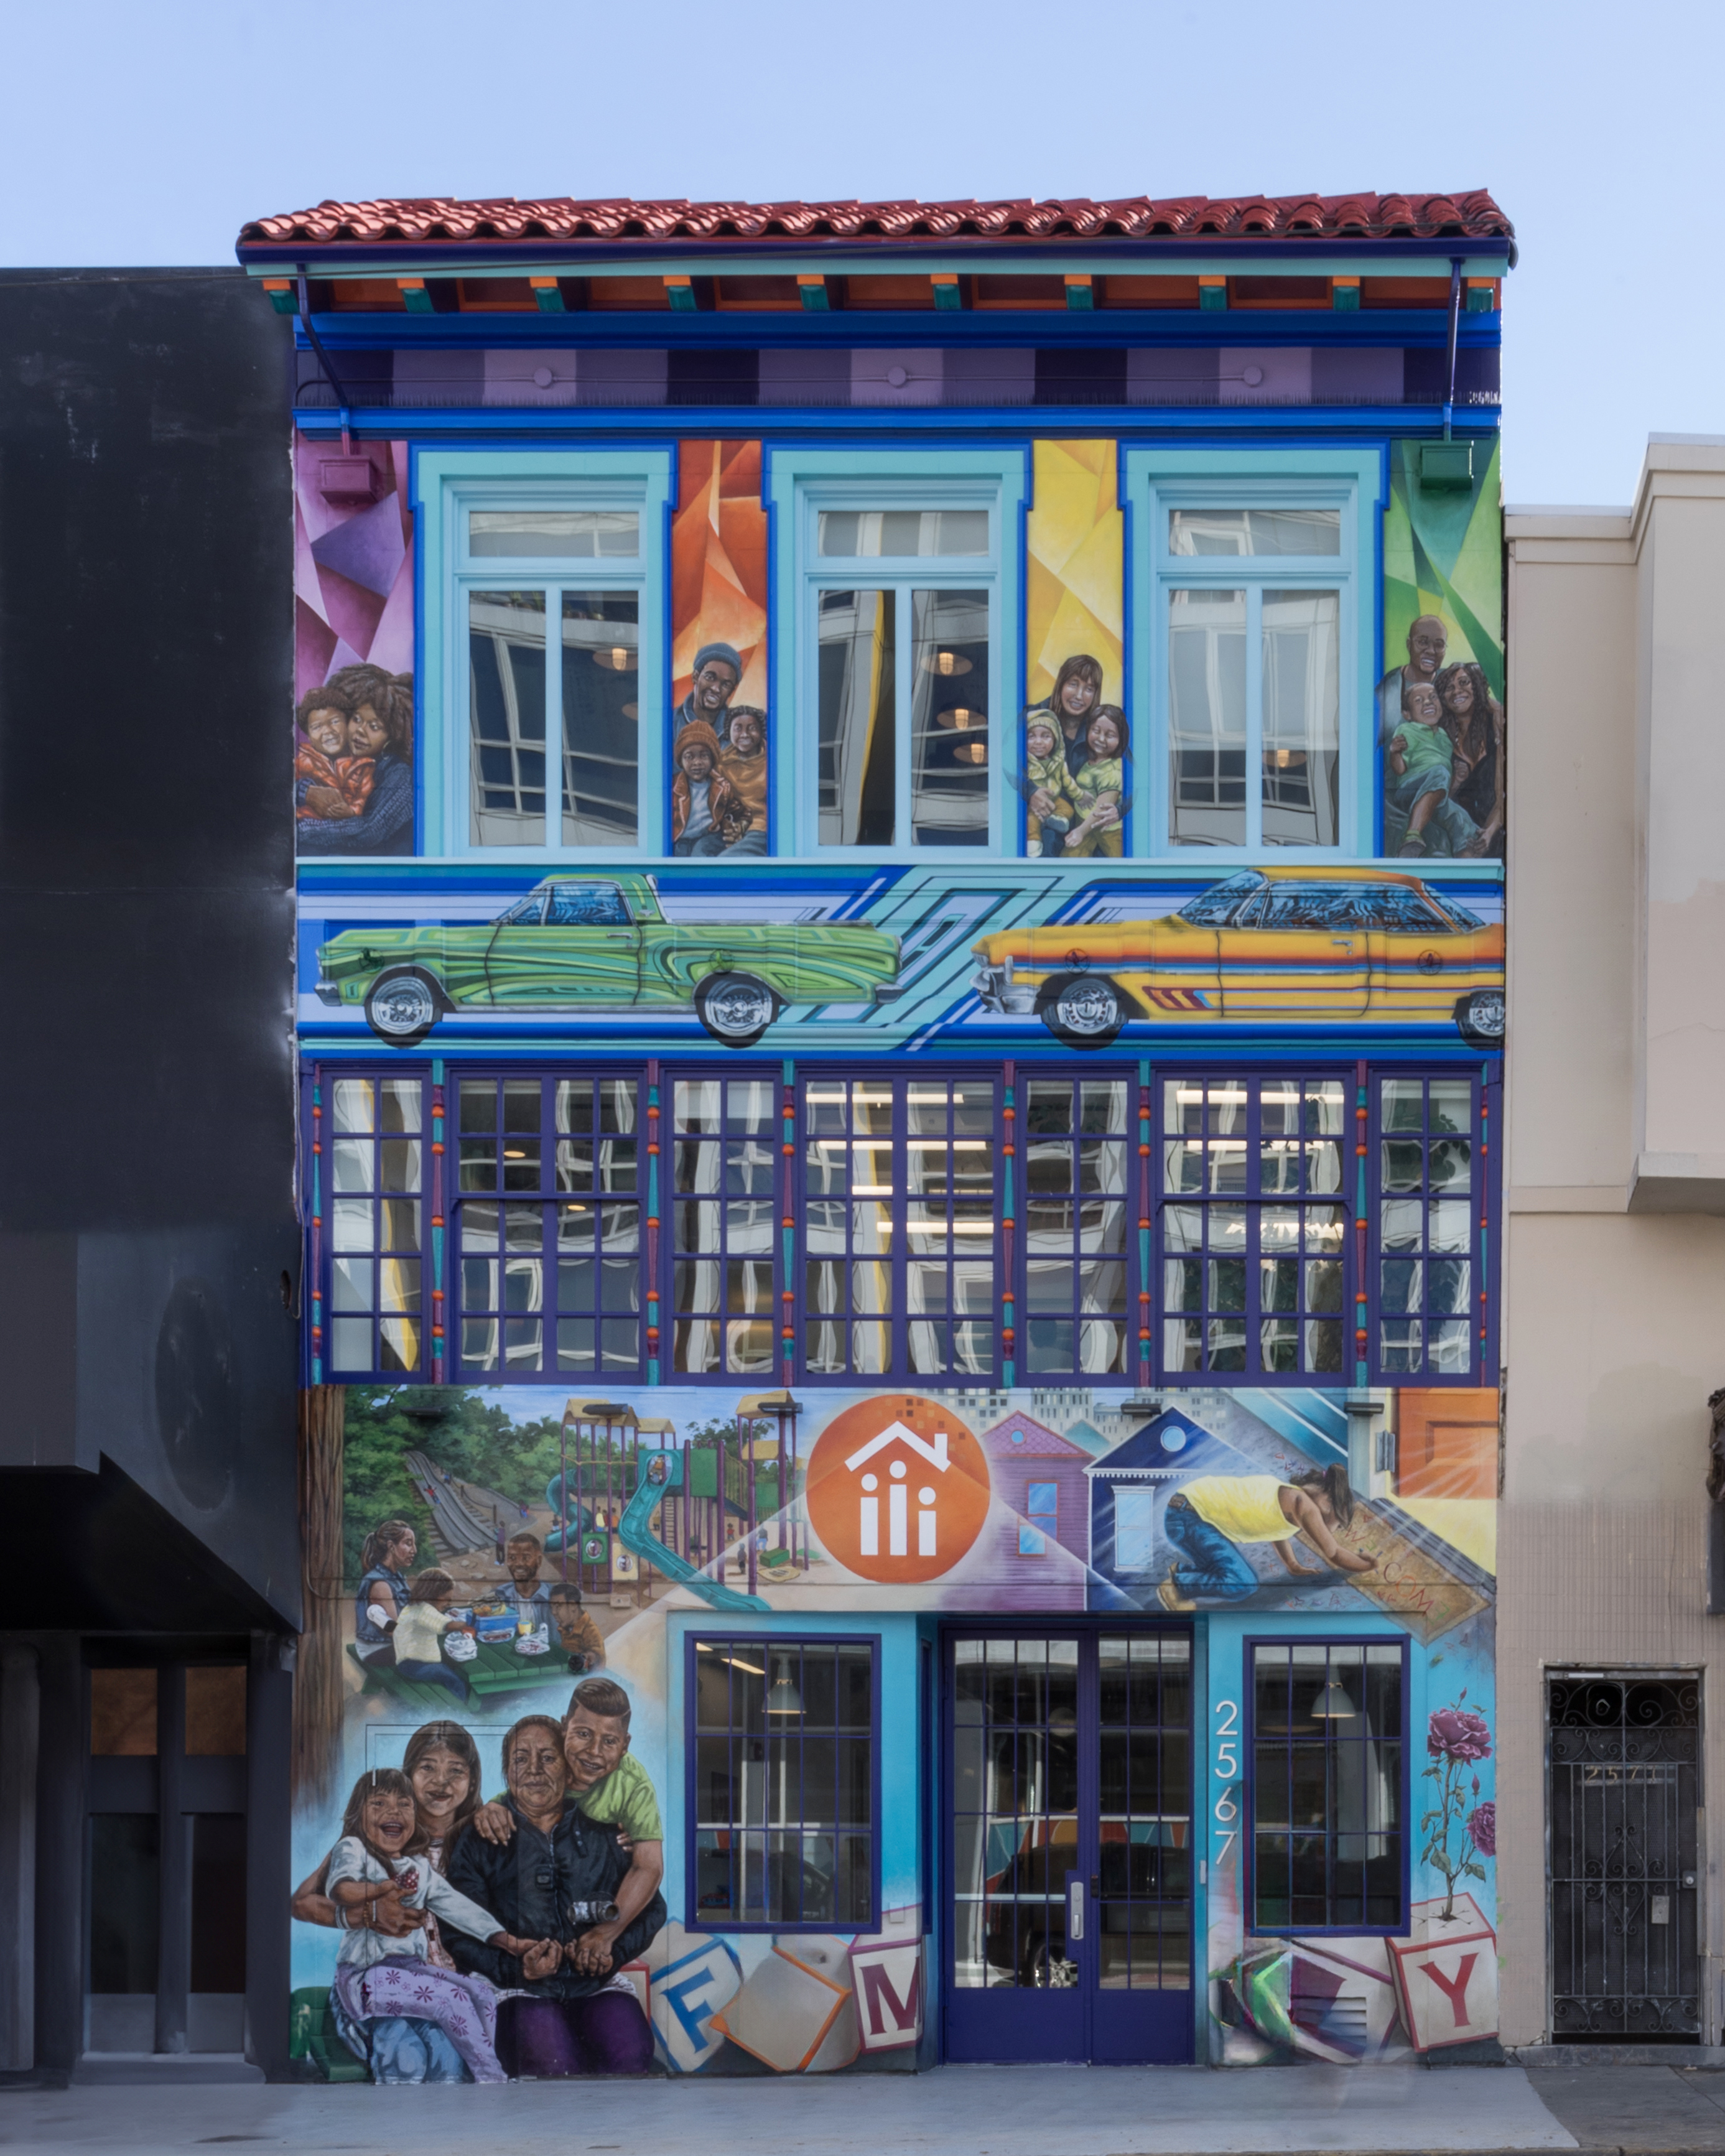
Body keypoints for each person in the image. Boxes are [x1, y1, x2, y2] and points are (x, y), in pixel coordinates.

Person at [445, 1714, 662, 2077]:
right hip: (517, 1989)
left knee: (632, 2056)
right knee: (553, 2064)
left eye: (547, 1757)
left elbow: (652, 1911)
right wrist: (515, 1968)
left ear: (568, 1768)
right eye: (520, 1759)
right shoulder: (480, 1838)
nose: (534, 1770)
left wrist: (608, 1952)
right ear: (506, 1772)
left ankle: (617, 2137)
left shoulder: (607, 1834)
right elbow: (457, 1928)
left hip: (596, 1984)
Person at [325, 1766, 555, 2084]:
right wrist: (378, 1891)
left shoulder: (416, 1867)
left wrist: (509, 1942)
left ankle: (468, 2079)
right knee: (452, 1999)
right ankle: (491, 2077)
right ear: (356, 1815)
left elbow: (458, 1908)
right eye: (378, 1803)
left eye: (404, 1805)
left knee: (480, 1994)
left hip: (408, 1970)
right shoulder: (354, 1850)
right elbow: (341, 1888)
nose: (394, 1811)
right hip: (364, 1976)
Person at [292, 1720, 483, 1972]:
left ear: (471, 1781)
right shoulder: (377, 1838)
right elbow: (301, 1903)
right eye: (427, 1767)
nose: (441, 1781)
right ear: (409, 1775)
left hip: (473, 1979)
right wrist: (366, 1915)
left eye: (456, 1770)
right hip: (393, 1978)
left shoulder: (483, 1836)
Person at [1156, 1465, 1378, 1610]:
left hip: (1185, 1516)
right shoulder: (1303, 1504)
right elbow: (1335, 1553)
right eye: (1338, 1524)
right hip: (1190, 1517)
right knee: (1243, 1583)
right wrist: (1368, 1564)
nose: (1334, 1531)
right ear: (1328, 1502)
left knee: (1227, 1570)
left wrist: (1291, 1564)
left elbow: (1277, 1533)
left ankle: (1183, 1572)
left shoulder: (1291, 1502)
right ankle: (1178, 1586)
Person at [296, 666, 414, 857]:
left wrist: (297, 831)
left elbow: (368, 831)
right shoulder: (335, 758)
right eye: (356, 719)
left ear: (392, 735)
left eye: (374, 726)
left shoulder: (400, 776)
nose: (361, 730)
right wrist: (306, 792)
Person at [1385, 677, 1482, 857]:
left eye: (1433, 697)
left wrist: (1457, 781)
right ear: (1407, 714)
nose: (1428, 702)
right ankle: (1412, 836)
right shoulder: (1407, 730)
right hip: (1410, 789)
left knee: (1462, 820)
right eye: (1419, 700)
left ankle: (1466, 867)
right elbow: (1400, 770)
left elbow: (1443, 791)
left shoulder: (1445, 739)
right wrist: (1395, 753)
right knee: (1440, 772)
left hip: (1434, 793)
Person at [1436, 659, 1505, 855]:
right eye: (1449, 688)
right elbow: (1436, 803)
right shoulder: (1441, 736)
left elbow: (1505, 791)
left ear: (1477, 685)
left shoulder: (1496, 726)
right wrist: (1456, 783)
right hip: (1458, 838)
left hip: (1496, 832)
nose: (1457, 691)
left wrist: (1490, 832)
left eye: (1464, 683)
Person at [294, 685, 374, 822]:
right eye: (317, 727)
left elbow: (363, 796)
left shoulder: (363, 764)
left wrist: (352, 811)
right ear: (308, 736)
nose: (328, 731)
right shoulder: (302, 761)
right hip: (308, 827)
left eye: (335, 721)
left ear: (348, 723)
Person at [671, 719, 747, 857]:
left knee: (700, 853)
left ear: (713, 758)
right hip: (680, 839)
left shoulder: (722, 787)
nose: (697, 762)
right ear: (681, 760)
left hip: (708, 838)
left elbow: (741, 812)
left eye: (704, 756)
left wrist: (739, 827)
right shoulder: (674, 787)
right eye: (689, 757)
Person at [392, 1569, 472, 1701]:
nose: (449, 1603)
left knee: (450, 1666)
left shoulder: (414, 1606)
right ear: (434, 1594)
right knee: (456, 1681)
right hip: (416, 1666)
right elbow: (448, 1625)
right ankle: (459, 1709)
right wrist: (474, 1623)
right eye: (446, 1599)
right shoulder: (424, 1610)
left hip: (408, 1662)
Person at [1062, 706, 1130, 858]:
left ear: (1121, 738)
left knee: (1121, 867)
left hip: (1108, 829)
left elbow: (1102, 808)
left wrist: (1080, 831)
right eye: (1096, 731)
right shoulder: (1091, 762)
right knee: (1069, 859)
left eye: (1110, 735)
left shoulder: (1112, 770)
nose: (1101, 739)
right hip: (1085, 823)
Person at [1376, 615, 1448, 748]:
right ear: (1409, 645)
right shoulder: (1390, 687)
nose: (1431, 651)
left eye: (1439, 645)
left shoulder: (1449, 680)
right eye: (1422, 642)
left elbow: (1476, 697)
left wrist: (1495, 709)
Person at [353, 1518, 417, 1670]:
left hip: (390, 1644)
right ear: (391, 1547)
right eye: (408, 1543)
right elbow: (394, 1631)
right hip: (377, 1649)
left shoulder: (396, 1576)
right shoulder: (380, 1584)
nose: (414, 1550)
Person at [1040, 654, 1104, 781]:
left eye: (1089, 689)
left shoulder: (1105, 728)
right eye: (1073, 684)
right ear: (1061, 685)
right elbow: (1008, 761)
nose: (1079, 696)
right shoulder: (1033, 717)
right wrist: (1032, 791)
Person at [1017, 713, 1073, 857]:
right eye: (1031, 737)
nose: (1038, 742)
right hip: (1033, 804)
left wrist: (1079, 794)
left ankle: (1056, 819)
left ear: (1056, 740)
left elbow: (1067, 781)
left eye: (1046, 736)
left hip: (1054, 799)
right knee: (1032, 820)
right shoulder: (1026, 763)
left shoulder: (1058, 762)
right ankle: (1033, 841)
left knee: (1068, 809)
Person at [717, 705, 768, 853]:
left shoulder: (771, 762)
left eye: (752, 728)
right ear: (729, 731)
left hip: (760, 829)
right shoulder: (722, 763)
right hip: (728, 829)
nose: (745, 734)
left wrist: (743, 827)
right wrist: (730, 826)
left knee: (725, 864)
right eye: (738, 728)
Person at [673, 642, 742, 742]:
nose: (716, 689)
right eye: (710, 677)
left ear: (732, 691)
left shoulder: (739, 731)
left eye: (726, 684)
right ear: (695, 677)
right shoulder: (670, 723)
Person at [499, 1531, 554, 1633]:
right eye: (512, 1558)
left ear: (539, 1561)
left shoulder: (555, 1597)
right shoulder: (500, 1595)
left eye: (526, 1558)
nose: (518, 1564)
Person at [547, 1581, 606, 1673]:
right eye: (552, 1607)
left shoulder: (590, 1630)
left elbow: (598, 1659)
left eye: (558, 1607)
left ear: (572, 1606)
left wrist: (591, 1657)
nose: (554, 1612)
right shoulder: (566, 1627)